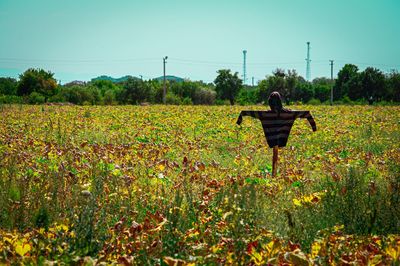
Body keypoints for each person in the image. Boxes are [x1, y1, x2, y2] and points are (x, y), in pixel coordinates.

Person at [236, 91, 317, 148]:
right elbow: (307, 114)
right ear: (280, 102)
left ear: (270, 102)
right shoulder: (289, 113)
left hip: (271, 141)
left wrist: (238, 123)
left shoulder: (264, 114)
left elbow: (244, 112)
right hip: (283, 140)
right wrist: (314, 129)